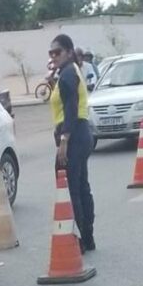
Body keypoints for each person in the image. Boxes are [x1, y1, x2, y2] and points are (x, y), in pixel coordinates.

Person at [49, 34, 95, 251]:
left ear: (68, 52)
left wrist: (64, 139)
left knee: (71, 189)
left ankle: (81, 238)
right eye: (51, 53)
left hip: (73, 135)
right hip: (81, 133)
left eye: (57, 52)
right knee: (81, 186)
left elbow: (70, 107)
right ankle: (87, 236)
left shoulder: (68, 74)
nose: (54, 56)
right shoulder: (70, 71)